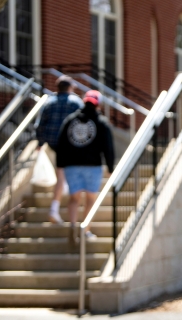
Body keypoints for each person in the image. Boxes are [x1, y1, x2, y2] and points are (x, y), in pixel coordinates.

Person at [56, 90, 115, 241]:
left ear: (84, 101)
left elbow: (61, 143)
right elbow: (108, 146)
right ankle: (85, 229)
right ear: (98, 104)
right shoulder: (101, 122)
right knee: (90, 199)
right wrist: (110, 167)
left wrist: (60, 164)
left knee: (74, 199)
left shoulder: (70, 120)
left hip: (71, 165)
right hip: (93, 166)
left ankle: (73, 226)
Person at [36, 75, 83, 224]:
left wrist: (40, 142)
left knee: (60, 174)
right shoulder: (76, 102)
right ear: (69, 88)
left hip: (52, 144)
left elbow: (41, 124)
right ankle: (55, 209)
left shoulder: (49, 103)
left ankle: (57, 205)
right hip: (69, 145)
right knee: (63, 176)